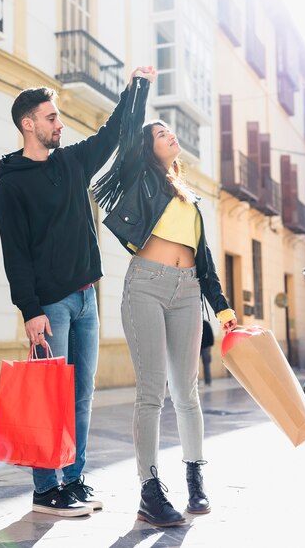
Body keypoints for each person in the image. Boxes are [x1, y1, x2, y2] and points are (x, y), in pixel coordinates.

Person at [0, 66, 155, 518]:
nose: (59, 123)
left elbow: (110, 136)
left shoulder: (71, 161)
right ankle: (46, 490)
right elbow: (15, 254)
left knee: (82, 393)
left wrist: (132, 91)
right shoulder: (12, 185)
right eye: (51, 117)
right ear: (29, 124)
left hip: (86, 299)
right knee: (49, 396)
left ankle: (73, 477)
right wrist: (30, 310)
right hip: (50, 306)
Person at [93, 74, 237, 527]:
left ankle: (195, 479)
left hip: (187, 291)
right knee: (152, 393)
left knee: (187, 392)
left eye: (166, 130)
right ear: (145, 146)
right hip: (147, 287)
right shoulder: (138, 176)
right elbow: (131, 129)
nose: (167, 133)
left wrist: (224, 307)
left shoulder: (188, 196)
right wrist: (138, 89)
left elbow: (204, 257)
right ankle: (150, 489)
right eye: (158, 133)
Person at [201, 320, 215, 386]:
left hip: (205, 347)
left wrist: (210, 345)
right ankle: (207, 381)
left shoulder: (206, 324)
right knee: (206, 365)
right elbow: (211, 335)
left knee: (206, 365)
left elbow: (210, 335)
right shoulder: (206, 323)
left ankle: (208, 381)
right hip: (200, 347)